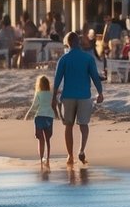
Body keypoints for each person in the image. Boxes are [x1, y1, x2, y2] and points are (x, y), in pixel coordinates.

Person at [52, 31, 104, 166]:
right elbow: (95, 77)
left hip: (68, 96)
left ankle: (70, 156)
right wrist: (100, 93)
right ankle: (81, 150)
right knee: (84, 125)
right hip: (84, 96)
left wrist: (53, 97)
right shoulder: (87, 58)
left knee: (68, 126)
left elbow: (57, 80)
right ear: (78, 42)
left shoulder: (64, 59)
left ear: (68, 43)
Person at [25, 74, 57, 165]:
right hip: (49, 118)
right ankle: (48, 158)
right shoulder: (51, 94)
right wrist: (58, 115)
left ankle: (41, 158)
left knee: (40, 139)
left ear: (39, 84)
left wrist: (28, 114)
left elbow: (34, 106)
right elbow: (55, 105)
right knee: (48, 139)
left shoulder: (38, 93)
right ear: (48, 84)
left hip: (39, 117)